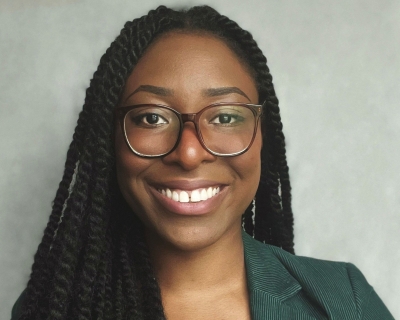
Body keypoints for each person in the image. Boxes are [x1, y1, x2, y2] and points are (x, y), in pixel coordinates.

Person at [11, 5, 393, 320]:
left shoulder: (343, 301)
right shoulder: (52, 307)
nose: (189, 153)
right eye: (151, 117)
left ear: (263, 136)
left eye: (225, 117)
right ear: (109, 141)